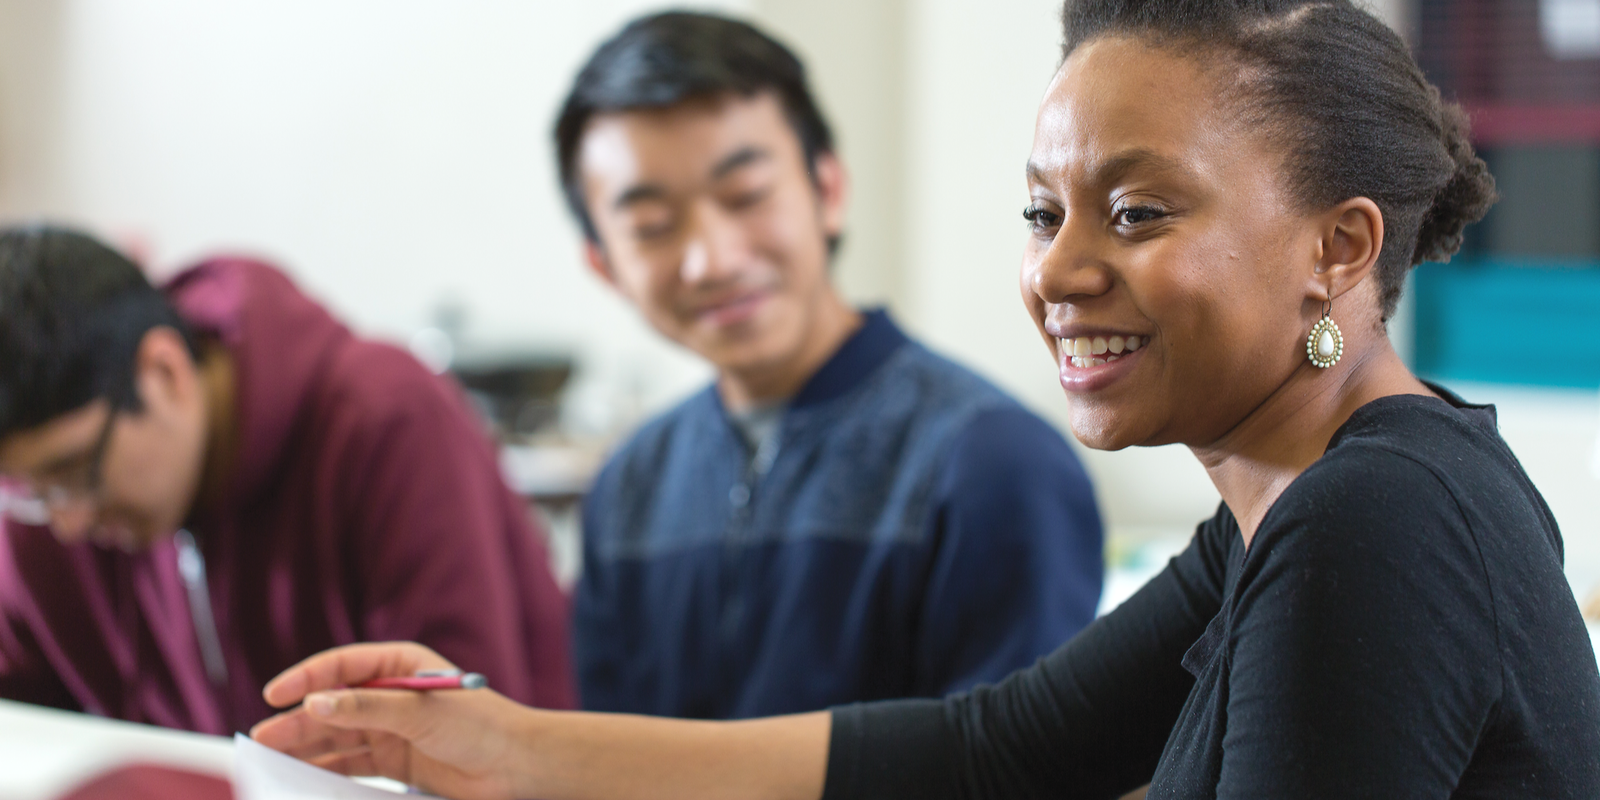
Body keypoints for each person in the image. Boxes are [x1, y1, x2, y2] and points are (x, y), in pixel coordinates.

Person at [249, 0, 1600, 797]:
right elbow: (991, 751)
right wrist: (514, 747)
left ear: (1342, 248)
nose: (1059, 270)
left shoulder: (1377, 518)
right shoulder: (1287, 512)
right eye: (1040, 210)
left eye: (1134, 211)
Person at [556, 12, 1104, 718]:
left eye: (747, 196)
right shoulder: (628, 489)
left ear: (830, 191)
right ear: (605, 265)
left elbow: (1024, 772)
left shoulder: (993, 464)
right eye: (653, 227)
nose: (712, 259)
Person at [0, 228, 576, 734]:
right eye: (29, 492)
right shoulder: (38, 508)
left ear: (164, 373)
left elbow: (465, 742)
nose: (67, 523)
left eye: (74, 475)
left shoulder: (383, 423)